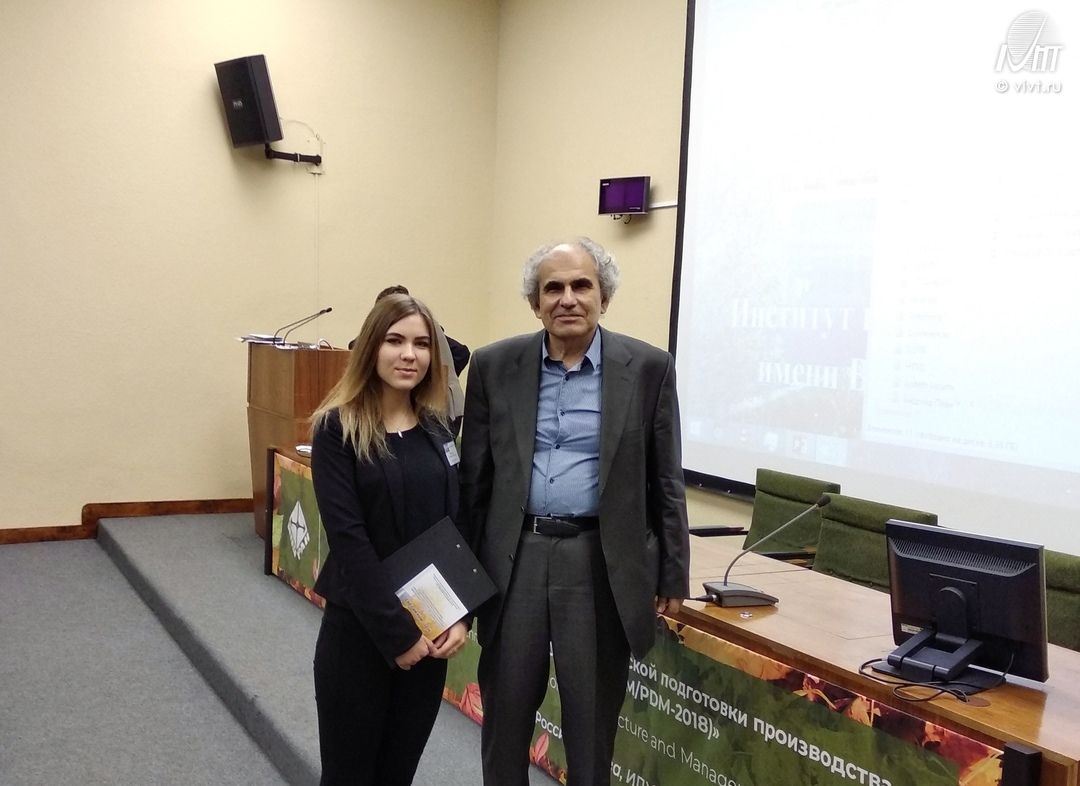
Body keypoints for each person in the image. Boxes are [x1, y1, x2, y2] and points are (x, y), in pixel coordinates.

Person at [459, 238, 690, 786]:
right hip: (514, 559)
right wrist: (460, 579)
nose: (568, 298)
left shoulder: (649, 368)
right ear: (535, 303)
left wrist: (673, 573)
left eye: (581, 285)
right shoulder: (494, 366)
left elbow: (666, 480)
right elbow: (474, 481)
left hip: (599, 563)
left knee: (590, 727)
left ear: (603, 297)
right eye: (553, 288)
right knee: (505, 715)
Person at [310, 293, 469, 786]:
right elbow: (350, 541)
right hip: (361, 634)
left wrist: (460, 614)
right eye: (395, 341)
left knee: (398, 774)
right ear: (371, 348)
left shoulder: (437, 428)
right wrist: (398, 635)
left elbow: (454, 527)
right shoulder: (337, 428)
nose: (409, 355)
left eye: (421, 344)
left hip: (429, 631)